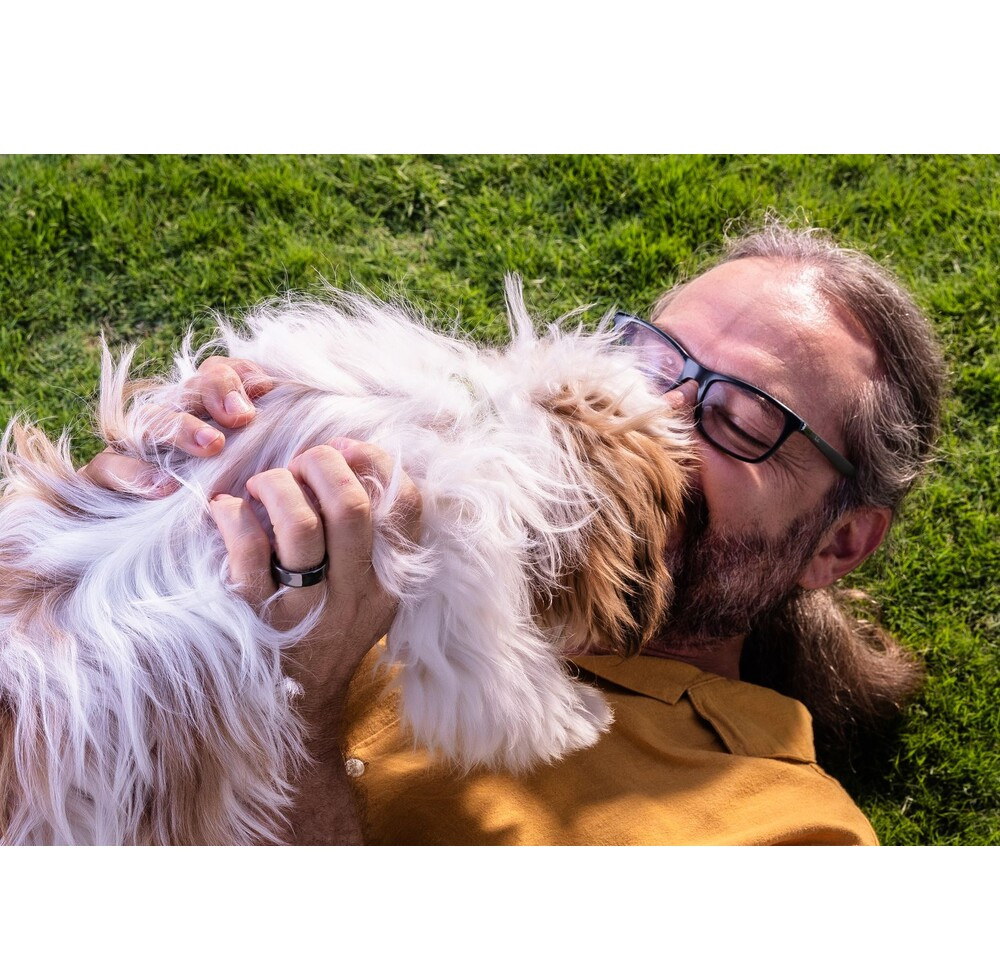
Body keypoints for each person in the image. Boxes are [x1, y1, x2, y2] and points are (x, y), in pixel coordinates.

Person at [82, 222, 946, 845]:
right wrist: (148, 497)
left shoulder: (785, 833)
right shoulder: (422, 486)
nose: (658, 415)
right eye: (656, 362)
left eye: (744, 419)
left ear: (838, 545)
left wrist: (300, 711)